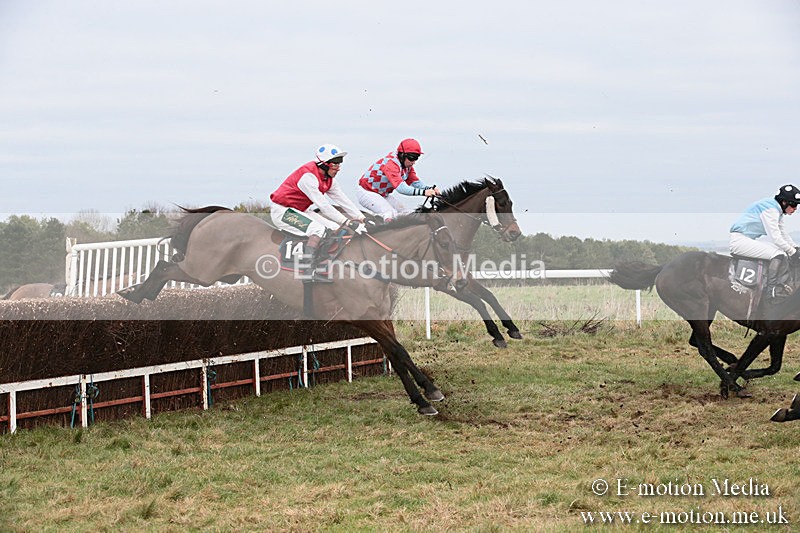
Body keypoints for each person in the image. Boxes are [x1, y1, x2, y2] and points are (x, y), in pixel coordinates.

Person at [270, 144, 366, 283]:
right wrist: (348, 222)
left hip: (301, 210)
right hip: (282, 211)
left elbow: (343, 200)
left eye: (340, 163)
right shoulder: (308, 177)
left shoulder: (329, 180)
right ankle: (308, 271)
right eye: (335, 163)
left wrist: (360, 217)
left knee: (334, 228)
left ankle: (323, 264)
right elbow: (324, 206)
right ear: (324, 164)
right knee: (318, 230)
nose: (338, 167)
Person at [730, 184, 800, 302]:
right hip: (739, 241)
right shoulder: (770, 210)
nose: (795, 209)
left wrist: (795, 247)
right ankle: (772, 290)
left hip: (746, 239)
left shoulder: (776, 209)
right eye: (793, 205)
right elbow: (776, 238)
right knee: (779, 254)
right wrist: (792, 252)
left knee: (783, 251)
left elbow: (783, 233)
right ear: (784, 202)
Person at [357, 138, 442, 222]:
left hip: (382, 194)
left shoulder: (407, 166)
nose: (414, 162)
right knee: (390, 213)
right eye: (412, 158)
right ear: (402, 155)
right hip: (367, 192)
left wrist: (429, 188)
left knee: (406, 212)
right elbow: (401, 188)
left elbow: (415, 182)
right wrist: (424, 192)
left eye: (416, 158)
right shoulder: (391, 164)